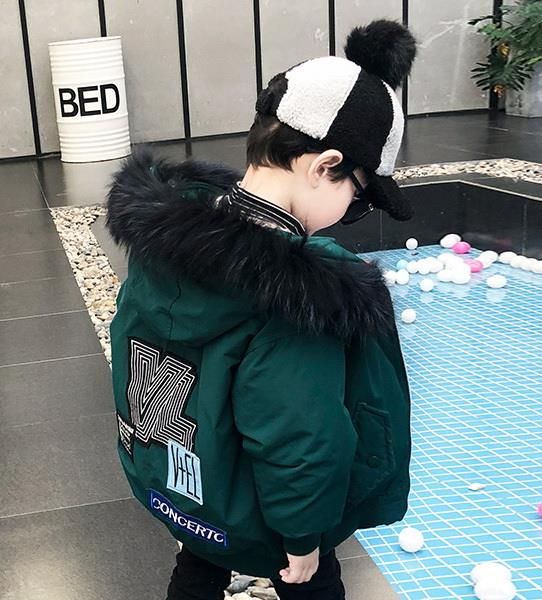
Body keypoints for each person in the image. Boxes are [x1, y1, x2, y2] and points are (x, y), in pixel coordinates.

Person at [106, 18, 416, 600]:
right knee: (312, 582)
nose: (351, 213)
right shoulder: (296, 296)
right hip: (260, 514)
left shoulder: (165, 241)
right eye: (357, 197)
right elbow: (300, 434)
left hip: (186, 484)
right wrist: (302, 537)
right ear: (323, 166)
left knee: (197, 567)